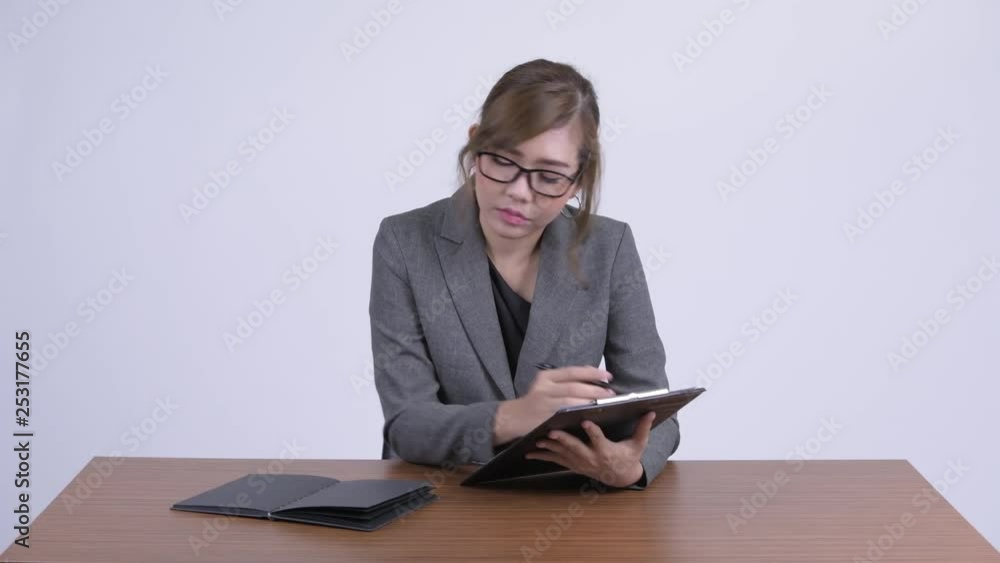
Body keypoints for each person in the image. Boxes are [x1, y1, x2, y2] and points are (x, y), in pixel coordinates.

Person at [369, 59, 678, 489]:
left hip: (566, 494)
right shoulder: (404, 242)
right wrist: (512, 416)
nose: (518, 191)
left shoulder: (610, 247)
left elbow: (654, 410)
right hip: (439, 497)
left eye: (548, 177)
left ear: (578, 181)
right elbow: (406, 425)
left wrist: (630, 467)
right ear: (475, 144)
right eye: (502, 160)